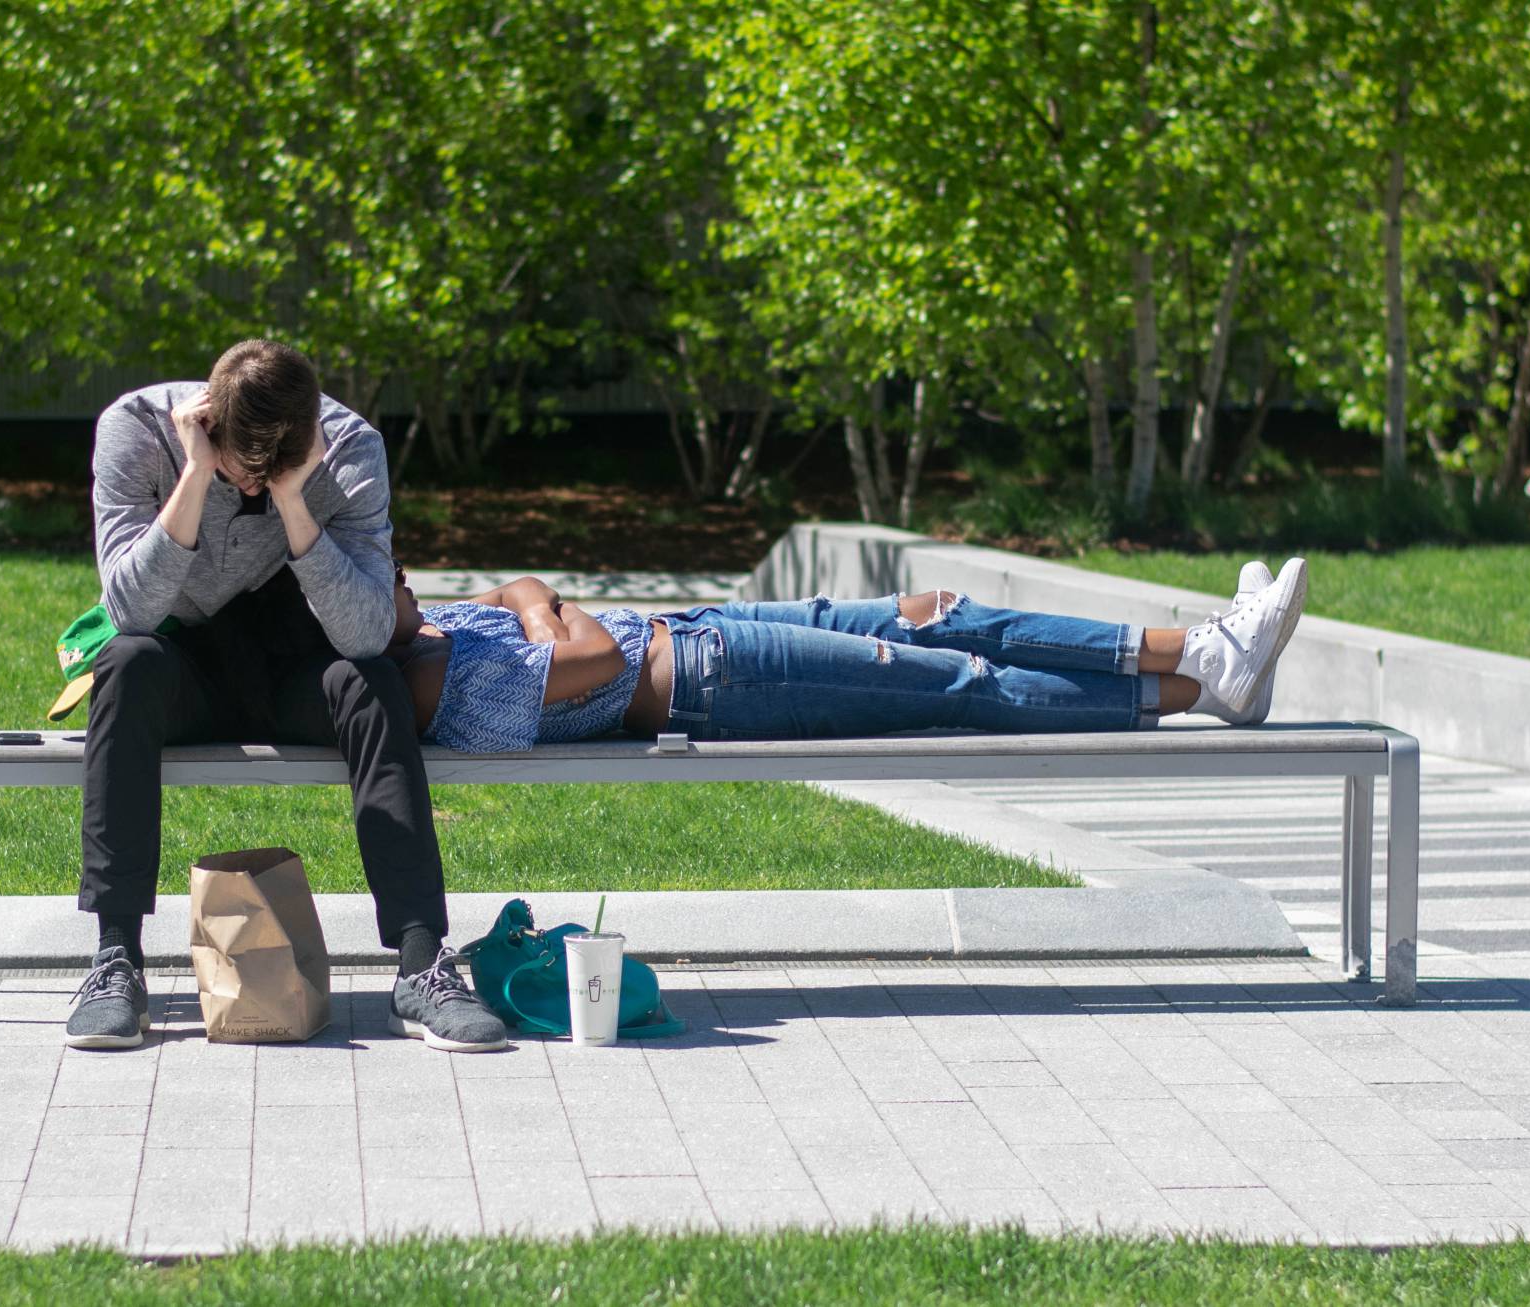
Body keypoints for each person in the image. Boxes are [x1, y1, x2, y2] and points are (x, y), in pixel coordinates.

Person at [67, 339, 506, 1054]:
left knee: (374, 683)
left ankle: (422, 961)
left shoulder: (351, 448)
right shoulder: (136, 429)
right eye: (246, 465)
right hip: (187, 664)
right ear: (208, 424)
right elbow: (129, 611)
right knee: (126, 664)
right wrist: (197, 477)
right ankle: (115, 957)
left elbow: (366, 631)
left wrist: (294, 500)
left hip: (299, 663)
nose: (252, 486)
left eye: (275, 467)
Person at [382, 560, 1307, 752]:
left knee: (940, 611)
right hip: (716, 680)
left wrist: (536, 602)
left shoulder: (429, 634)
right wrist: (551, 607)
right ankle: (1198, 684)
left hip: (702, 629)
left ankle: (1202, 649)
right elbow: (583, 657)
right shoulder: (431, 680)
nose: (399, 564)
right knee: (961, 682)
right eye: (380, 571)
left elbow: (517, 593)